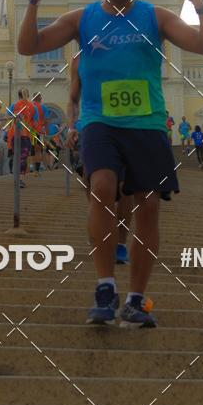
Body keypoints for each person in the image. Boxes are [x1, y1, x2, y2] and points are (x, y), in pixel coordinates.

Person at [18, 0, 203, 327]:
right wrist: (32, 2)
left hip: (146, 122)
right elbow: (29, 45)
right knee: (103, 187)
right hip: (100, 121)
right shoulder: (83, 18)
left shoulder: (155, 17)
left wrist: (200, 6)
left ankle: (137, 298)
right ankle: (105, 285)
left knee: (148, 206)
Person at [67, 53, 132, 265]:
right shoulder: (78, 59)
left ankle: (120, 243)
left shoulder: (126, 45)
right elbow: (73, 98)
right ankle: (103, 222)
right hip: (93, 123)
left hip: (127, 122)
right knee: (92, 181)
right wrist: (70, 126)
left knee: (125, 187)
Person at [6, 89, 33, 187]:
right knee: (24, 158)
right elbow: (36, 124)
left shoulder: (13, 106)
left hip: (14, 136)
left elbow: (6, 119)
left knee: (17, 157)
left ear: (18, 96)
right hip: (26, 137)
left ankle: (17, 178)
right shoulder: (32, 107)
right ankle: (21, 179)